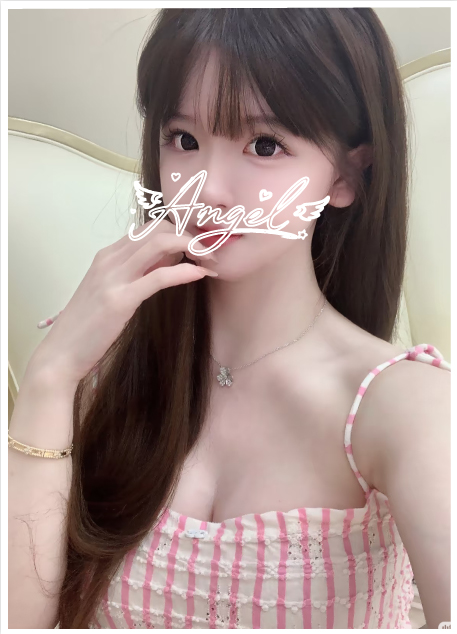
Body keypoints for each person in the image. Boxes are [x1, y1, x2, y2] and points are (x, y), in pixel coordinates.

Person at [9, 8, 450, 629]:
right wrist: (51, 376)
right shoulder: (105, 377)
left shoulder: (403, 406)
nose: (207, 190)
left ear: (348, 174)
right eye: (183, 139)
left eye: (264, 145)